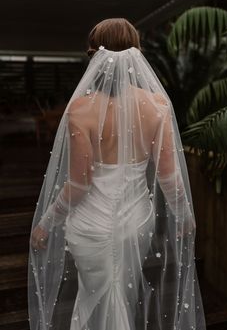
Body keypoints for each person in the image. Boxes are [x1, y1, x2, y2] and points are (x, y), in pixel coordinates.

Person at [28, 18, 206, 330]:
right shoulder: (157, 105)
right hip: (134, 222)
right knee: (123, 293)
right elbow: (167, 177)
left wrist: (46, 222)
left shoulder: (80, 110)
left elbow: (79, 184)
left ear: (95, 56)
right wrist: (184, 215)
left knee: (94, 294)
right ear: (136, 54)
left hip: (90, 227)